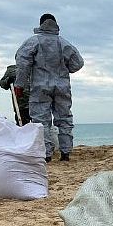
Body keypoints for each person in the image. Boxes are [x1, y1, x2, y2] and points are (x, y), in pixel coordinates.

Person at [15, 13, 84, 162]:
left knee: (41, 121)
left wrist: (19, 84)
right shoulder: (64, 43)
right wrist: (64, 69)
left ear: (40, 25)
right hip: (62, 86)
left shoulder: (33, 42)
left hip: (40, 87)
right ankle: (65, 153)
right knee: (64, 118)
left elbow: (22, 63)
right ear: (55, 24)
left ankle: (46, 154)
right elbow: (78, 63)